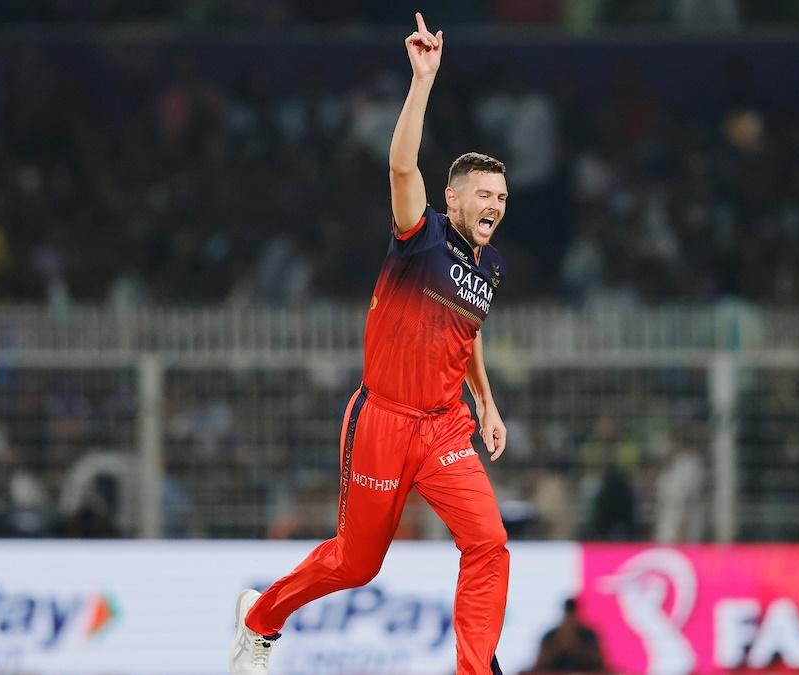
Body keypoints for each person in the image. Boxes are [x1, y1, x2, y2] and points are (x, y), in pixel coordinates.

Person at [229, 13, 511, 675]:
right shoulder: (421, 235)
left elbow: (464, 334)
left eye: (502, 194)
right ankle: (260, 617)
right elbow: (400, 162)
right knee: (358, 563)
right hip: (382, 419)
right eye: (483, 193)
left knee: (490, 543)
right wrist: (422, 81)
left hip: (445, 426)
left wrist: (487, 403)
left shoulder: (491, 267)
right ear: (453, 197)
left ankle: (474, 669)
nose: (495, 202)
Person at [529, 598, 606, 673]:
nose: (570, 619)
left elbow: (599, 662)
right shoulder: (551, 635)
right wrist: (558, 645)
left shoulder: (588, 635)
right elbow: (539, 663)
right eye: (568, 614)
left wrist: (577, 645)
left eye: (572, 615)